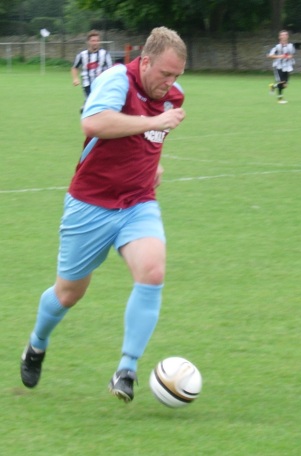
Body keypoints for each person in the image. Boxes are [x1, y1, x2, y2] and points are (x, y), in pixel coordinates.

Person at [20, 27, 187, 403]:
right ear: (145, 62)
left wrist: (152, 166)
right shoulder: (118, 79)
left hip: (137, 203)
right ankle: (36, 344)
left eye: (177, 75)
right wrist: (151, 123)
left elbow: (148, 143)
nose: (170, 83)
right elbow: (93, 123)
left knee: (153, 271)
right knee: (68, 293)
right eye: (164, 73)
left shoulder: (171, 97)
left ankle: (126, 370)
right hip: (90, 204)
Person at [71, 30, 113, 104]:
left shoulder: (105, 54)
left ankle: (86, 107)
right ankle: (87, 106)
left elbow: (111, 69)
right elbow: (74, 67)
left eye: (97, 41)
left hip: (101, 84)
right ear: (88, 42)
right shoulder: (82, 55)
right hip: (87, 84)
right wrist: (75, 78)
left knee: (99, 104)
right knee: (92, 103)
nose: (95, 43)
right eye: (93, 41)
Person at [267, 30, 295, 104]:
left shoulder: (291, 46)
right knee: (281, 82)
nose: (284, 36)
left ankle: (273, 86)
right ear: (279, 37)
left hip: (287, 67)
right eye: (282, 35)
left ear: (287, 36)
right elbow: (269, 55)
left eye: (285, 35)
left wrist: (289, 57)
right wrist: (280, 56)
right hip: (278, 66)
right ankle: (280, 99)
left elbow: (291, 55)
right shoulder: (277, 47)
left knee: (285, 85)